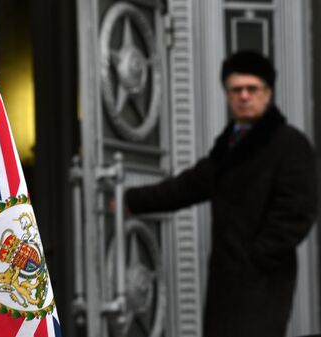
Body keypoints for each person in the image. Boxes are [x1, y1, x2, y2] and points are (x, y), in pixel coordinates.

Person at [125, 50, 318, 337]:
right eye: (235, 90)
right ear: (227, 95)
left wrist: (259, 256)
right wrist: (130, 200)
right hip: (226, 280)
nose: (243, 96)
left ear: (267, 93)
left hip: (263, 279)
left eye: (251, 89)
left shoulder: (289, 143)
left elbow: (299, 211)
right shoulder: (229, 145)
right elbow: (187, 187)